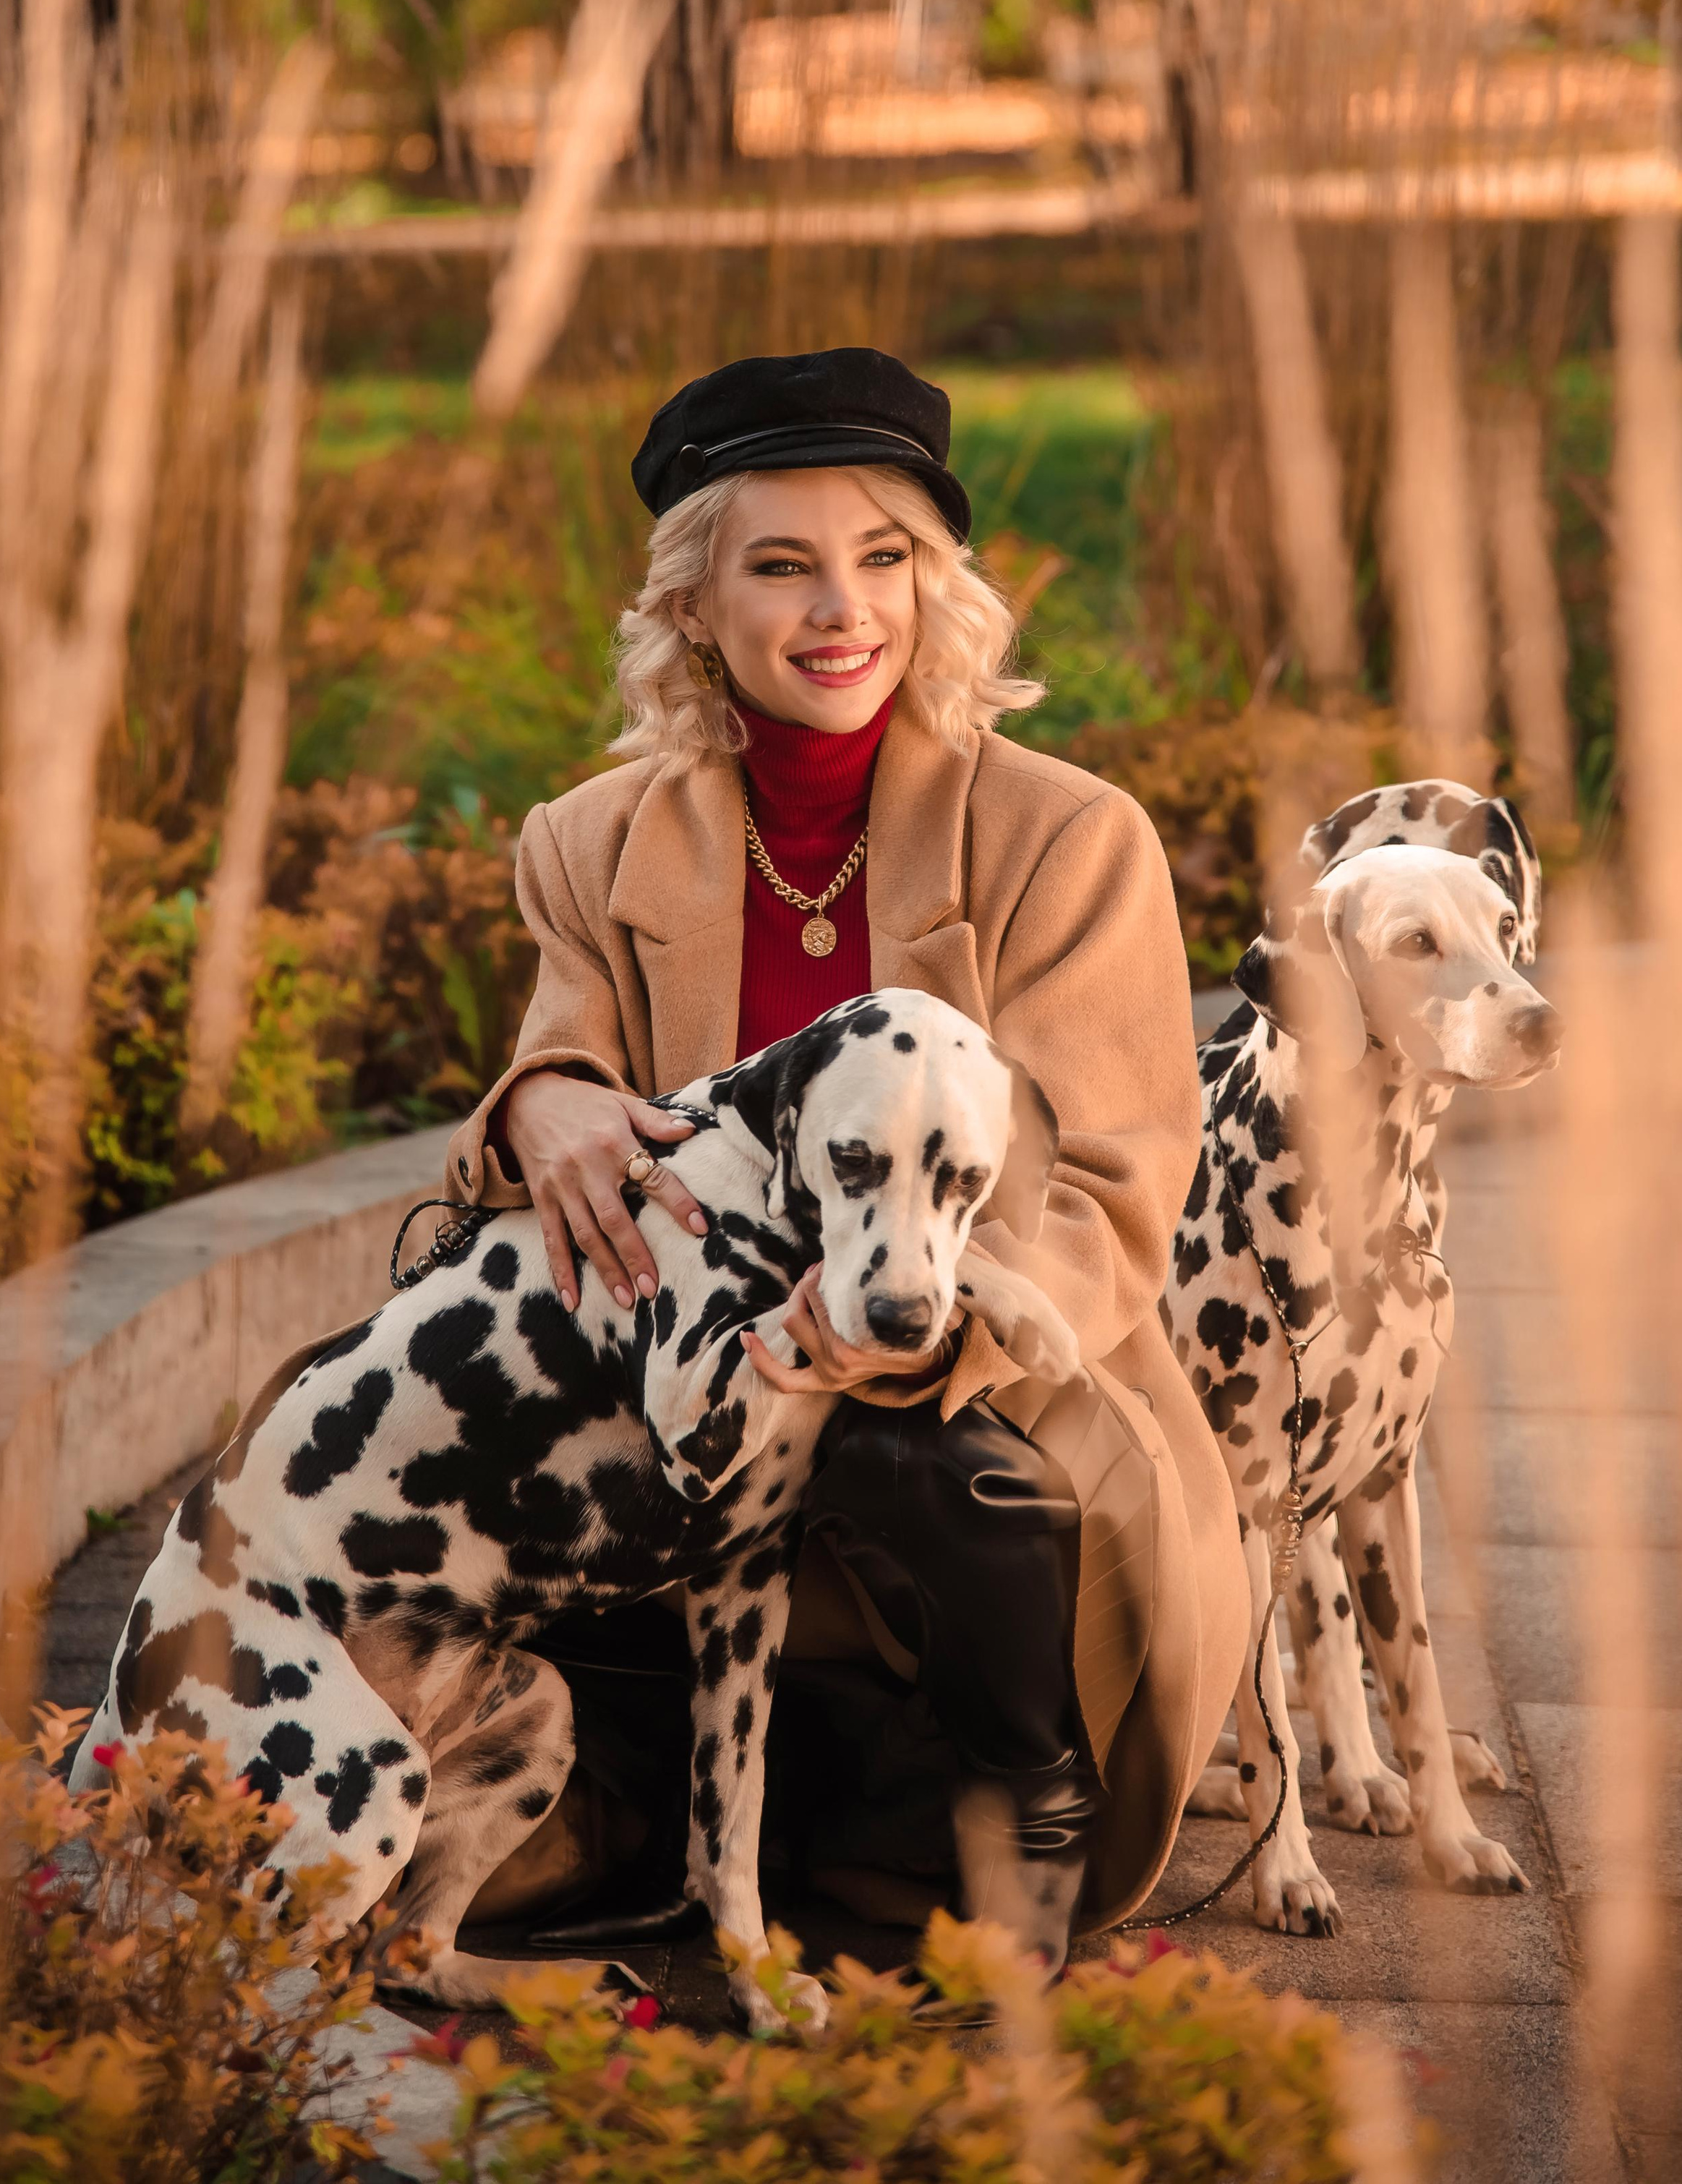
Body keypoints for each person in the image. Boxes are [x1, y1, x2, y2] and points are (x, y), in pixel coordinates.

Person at [437, 347, 1247, 1958]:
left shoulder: (1064, 838)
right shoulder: (589, 843)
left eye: (883, 558)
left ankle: (1025, 1827)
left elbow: (1107, 1194)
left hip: (995, 1385)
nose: (839, 610)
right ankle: (622, 1797)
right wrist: (543, 1100)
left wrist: (905, 1319)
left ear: (935, 589)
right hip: (704, 1377)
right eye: (782, 564)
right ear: (692, 603)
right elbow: (566, 1049)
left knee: (903, 1447)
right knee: (511, 1363)